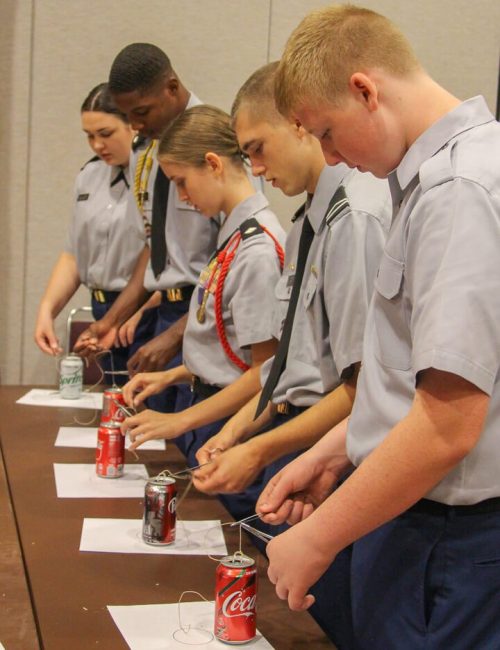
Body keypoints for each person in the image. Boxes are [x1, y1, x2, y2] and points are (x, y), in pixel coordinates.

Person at [255, 5, 500, 650]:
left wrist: (318, 536)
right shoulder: (430, 181)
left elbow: (448, 425)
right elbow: (406, 383)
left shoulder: (458, 189)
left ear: (365, 90)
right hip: (414, 520)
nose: (331, 156)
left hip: (445, 541)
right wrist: (334, 452)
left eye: (328, 133)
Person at [191, 62, 390, 528]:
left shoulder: (356, 217)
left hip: (333, 451)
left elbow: (362, 387)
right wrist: (237, 431)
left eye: (258, 149)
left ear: (299, 124)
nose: (256, 169)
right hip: (290, 431)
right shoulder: (305, 225)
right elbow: (288, 365)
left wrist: (257, 449)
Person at [121, 105, 286, 468]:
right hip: (210, 407)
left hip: (234, 421)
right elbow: (227, 353)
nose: (181, 196)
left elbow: (264, 370)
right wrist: (173, 375)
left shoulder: (256, 249)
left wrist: (179, 420)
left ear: (213, 164)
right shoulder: (234, 237)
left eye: (181, 181)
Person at [74, 44, 219, 413]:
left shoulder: (215, 141)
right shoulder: (149, 149)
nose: (135, 125)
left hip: (204, 318)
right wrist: (110, 321)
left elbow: (232, 260)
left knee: (194, 443)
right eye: (128, 116)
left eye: (141, 112)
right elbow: (155, 247)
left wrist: (175, 335)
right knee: (155, 440)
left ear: (171, 87)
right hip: (165, 317)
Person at [34, 83, 158, 384]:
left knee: (145, 407)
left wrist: (135, 311)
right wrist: (47, 310)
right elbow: (75, 253)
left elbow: (166, 255)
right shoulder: (90, 175)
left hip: (145, 311)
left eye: (105, 134)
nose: (97, 145)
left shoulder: (157, 174)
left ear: (133, 126)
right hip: (102, 306)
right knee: (110, 406)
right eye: (89, 136)